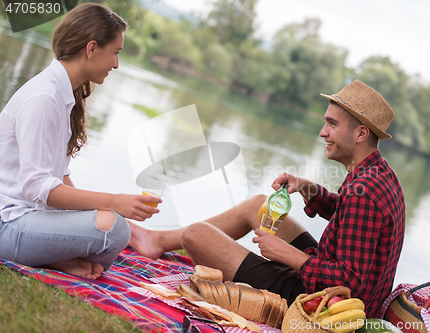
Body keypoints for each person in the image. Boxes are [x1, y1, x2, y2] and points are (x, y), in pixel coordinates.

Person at [132, 80, 406, 318]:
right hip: (328, 283)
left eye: (332, 124)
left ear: (361, 134)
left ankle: (166, 243)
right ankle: (157, 241)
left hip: (323, 307)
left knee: (196, 235)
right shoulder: (377, 174)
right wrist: (305, 187)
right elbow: (348, 215)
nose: (323, 132)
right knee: (259, 204)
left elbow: (350, 284)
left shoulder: (366, 193)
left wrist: (287, 255)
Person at [0, 3, 161, 280]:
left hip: (29, 216)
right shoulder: (44, 98)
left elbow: (59, 177)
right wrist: (112, 202)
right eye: (115, 53)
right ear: (91, 48)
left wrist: (103, 207)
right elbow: (38, 187)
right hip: (8, 222)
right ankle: (54, 258)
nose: (116, 64)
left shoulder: (63, 94)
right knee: (113, 229)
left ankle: (54, 256)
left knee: (110, 222)